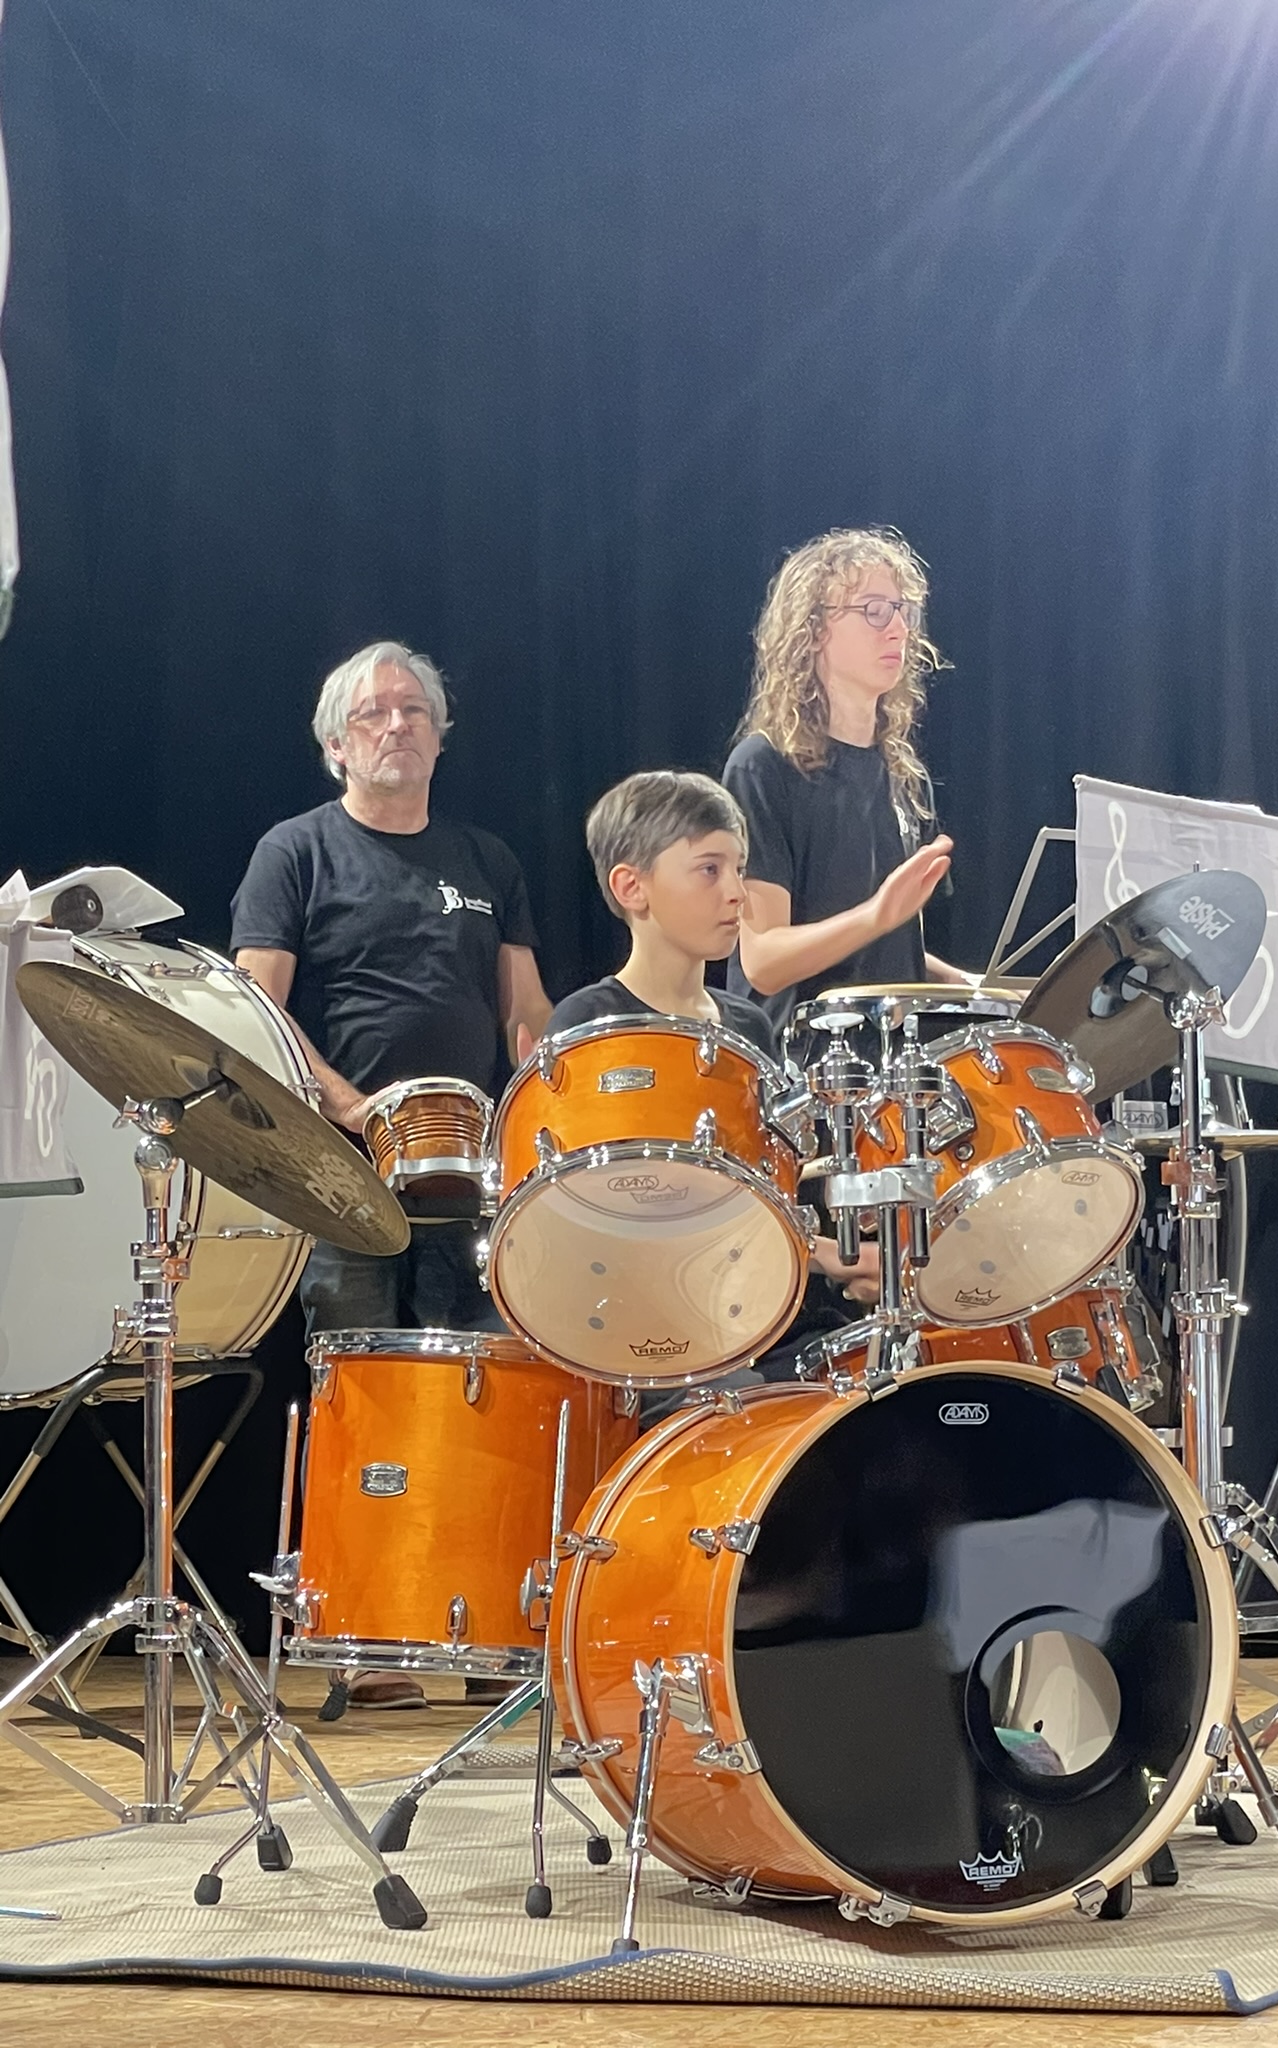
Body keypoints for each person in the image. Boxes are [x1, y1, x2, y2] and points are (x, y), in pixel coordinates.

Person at [231, 639, 552, 1709]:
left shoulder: (486, 860)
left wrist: (537, 1104)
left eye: (415, 710)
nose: (397, 724)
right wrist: (348, 1105)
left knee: (484, 1388)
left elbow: (524, 1012)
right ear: (335, 744)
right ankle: (366, 1632)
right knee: (361, 1394)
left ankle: (481, 1624)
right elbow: (256, 1009)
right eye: (373, 712)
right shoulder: (295, 852)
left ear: (441, 737)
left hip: (471, 1172)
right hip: (343, 1172)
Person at [546, 769, 879, 1367]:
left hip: (765, 1316)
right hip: (652, 1333)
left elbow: (769, 1190)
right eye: (709, 870)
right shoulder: (592, 1024)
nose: (737, 893)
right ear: (631, 887)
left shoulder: (748, 1025)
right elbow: (617, 1213)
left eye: (739, 870)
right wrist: (818, 1255)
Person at [722, 527, 969, 1044]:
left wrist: (971, 986)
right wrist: (877, 915)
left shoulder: (899, 772)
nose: (898, 629)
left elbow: (886, 948)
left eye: (903, 611)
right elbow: (763, 961)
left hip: (893, 1063)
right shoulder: (762, 767)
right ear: (813, 631)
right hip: (801, 1067)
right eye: (874, 611)